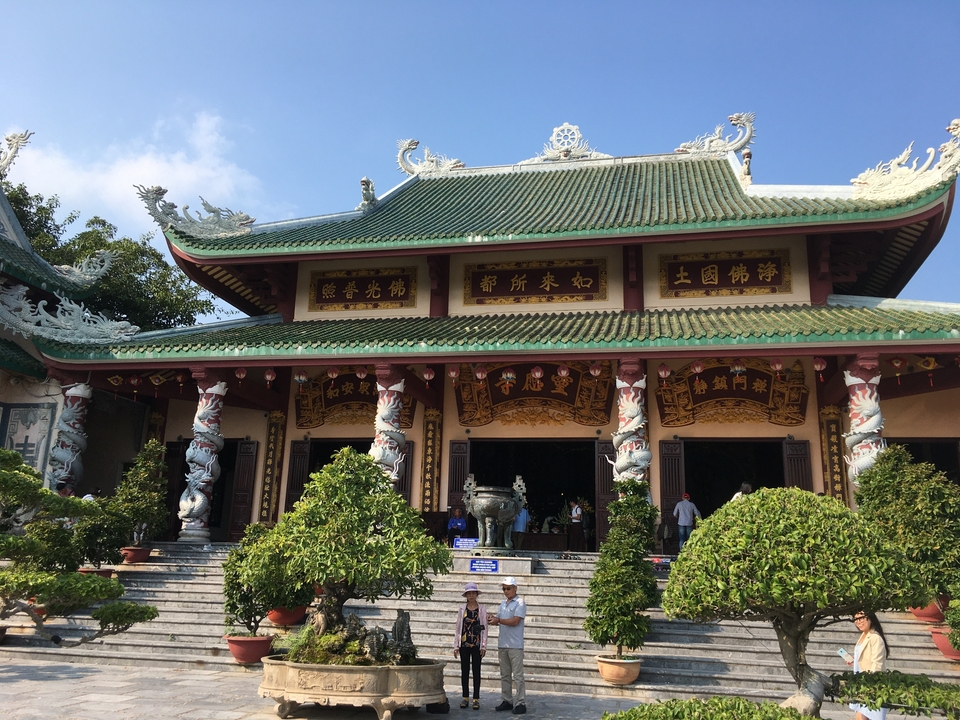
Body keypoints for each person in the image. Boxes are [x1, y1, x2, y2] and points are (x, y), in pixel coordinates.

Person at [488, 576, 526, 715]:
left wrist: (498, 620)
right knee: (505, 674)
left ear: (515, 588)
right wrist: (491, 618)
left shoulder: (520, 603)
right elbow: (499, 619)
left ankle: (521, 702)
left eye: (508, 588)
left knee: (518, 675)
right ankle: (507, 700)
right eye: (504, 588)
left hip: (515, 644)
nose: (506, 591)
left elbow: (515, 621)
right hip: (503, 643)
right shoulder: (503, 603)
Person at [844, 611, 889, 720]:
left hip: (870, 685)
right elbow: (865, 656)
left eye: (861, 618)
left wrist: (870, 686)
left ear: (870, 618)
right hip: (860, 684)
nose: (858, 622)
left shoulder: (875, 638)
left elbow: (877, 664)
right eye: (856, 619)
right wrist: (855, 660)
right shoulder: (864, 635)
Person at [453, 582, 488, 710]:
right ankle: (465, 697)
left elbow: (484, 628)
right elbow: (458, 628)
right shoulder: (462, 609)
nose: (472, 595)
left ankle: (476, 698)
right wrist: (456, 645)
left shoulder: (482, 609)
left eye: (474, 593)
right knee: (465, 670)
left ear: (476, 595)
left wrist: (483, 645)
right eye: (469, 593)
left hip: (477, 644)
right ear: (466, 595)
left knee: (476, 671)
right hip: (464, 643)